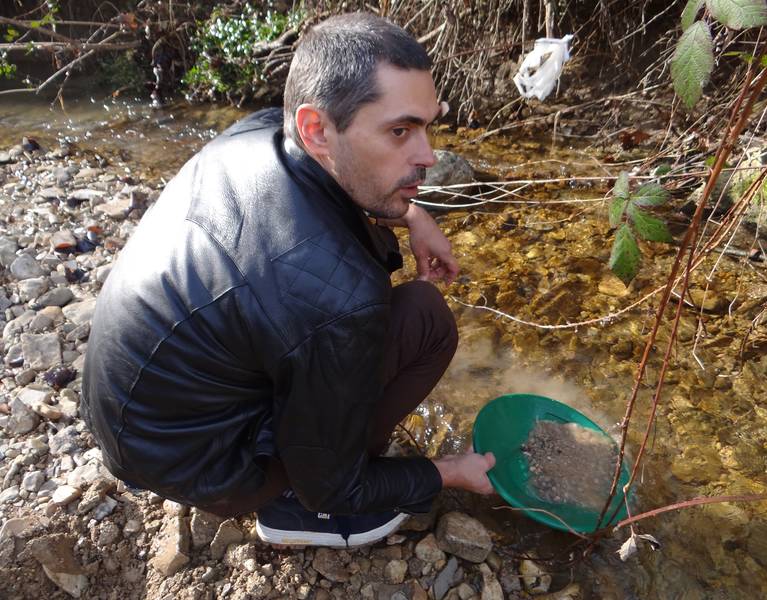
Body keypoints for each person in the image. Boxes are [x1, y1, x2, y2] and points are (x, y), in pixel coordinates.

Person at [82, 12, 495, 548]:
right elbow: (337, 486)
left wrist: (413, 216)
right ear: (317, 128)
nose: (428, 156)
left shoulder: (260, 132)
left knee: (370, 331)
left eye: (426, 125)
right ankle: (296, 510)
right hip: (193, 464)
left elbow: (333, 195)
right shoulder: (337, 295)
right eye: (400, 131)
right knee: (426, 320)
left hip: (127, 415)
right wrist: (450, 471)